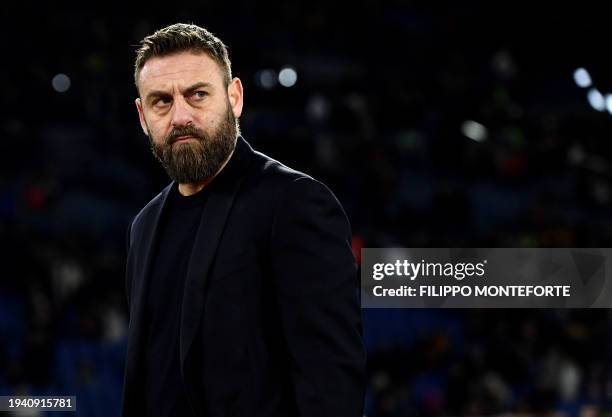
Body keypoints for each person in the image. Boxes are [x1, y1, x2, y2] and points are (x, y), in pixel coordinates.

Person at [120, 23, 366, 417]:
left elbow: (331, 383)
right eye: (161, 101)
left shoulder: (294, 203)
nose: (180, 115)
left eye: (197, 95)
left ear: (234, 97)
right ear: (142, 116)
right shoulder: (143, 226)